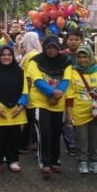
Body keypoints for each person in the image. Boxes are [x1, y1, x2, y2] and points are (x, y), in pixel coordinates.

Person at [26, 35, 72, 176]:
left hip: (58, 103)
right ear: (44, 48)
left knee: (56, 132)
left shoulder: (65, 61)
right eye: (48, 48)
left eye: (54, 47)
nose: (51, 50)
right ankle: (45, 162)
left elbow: (66, 79)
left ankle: (55, 160)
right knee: (44, 132)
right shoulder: (36, 61)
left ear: (58, 48)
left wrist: (57, 95)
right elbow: (37, 80)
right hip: (41, 102)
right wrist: (52, 93)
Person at [65, 46, 97, 174]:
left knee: (96, 139)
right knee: (81, 139)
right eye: (80, 57)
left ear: (90, 57)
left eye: (85, 57)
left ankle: (95, 162)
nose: (82, 60)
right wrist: (69, 114)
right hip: (79, 111)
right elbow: (69, 95)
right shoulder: (73, 72)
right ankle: (83, 162)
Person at [0, 45, 28, 173]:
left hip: (16, 109)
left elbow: (24, 90)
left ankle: (13, 160)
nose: (6, 57)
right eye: (3, 55)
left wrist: (21, 106)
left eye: (9, 55)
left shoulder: (19, 71)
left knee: (14, 135)